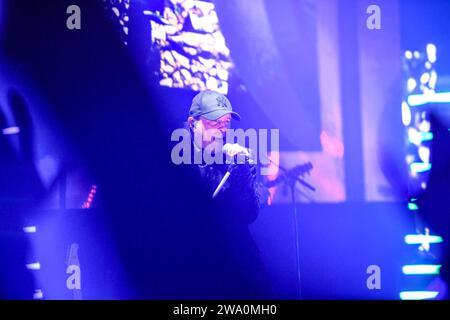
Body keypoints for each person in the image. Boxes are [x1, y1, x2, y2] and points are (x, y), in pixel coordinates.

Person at [181, 90, 273, 299]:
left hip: (236, 260)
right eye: (215, 123)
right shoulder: (177, 158)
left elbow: (249, 215)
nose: (222, 131)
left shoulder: (231, 159)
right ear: (193, 123)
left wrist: (242, 175)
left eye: (225, 123)